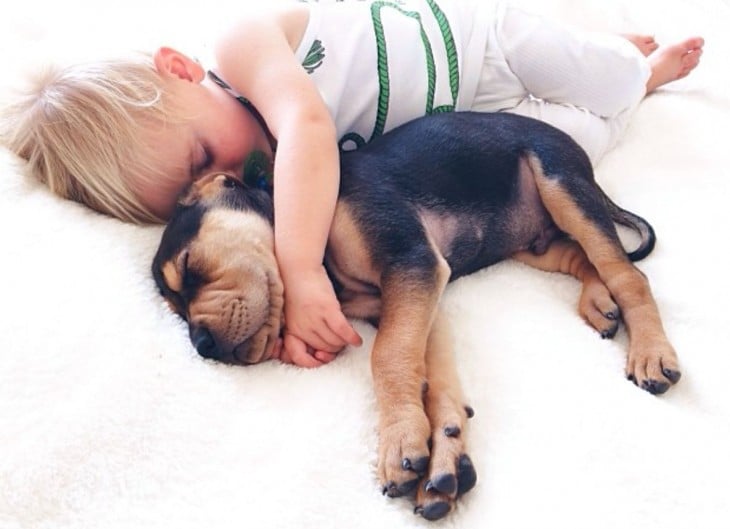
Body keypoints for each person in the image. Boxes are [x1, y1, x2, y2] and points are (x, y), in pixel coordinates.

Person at [0, 0, 703, 368]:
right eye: (193, 191)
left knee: (601, 79)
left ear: (181, 69)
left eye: (201, 154)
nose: (224, 177)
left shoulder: (243, 49)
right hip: (476, 121)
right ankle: (624, 92)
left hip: (478, 40)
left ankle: (634, 67)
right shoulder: (263, 185)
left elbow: (310, 126)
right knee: (569, 146)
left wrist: (300, 269)